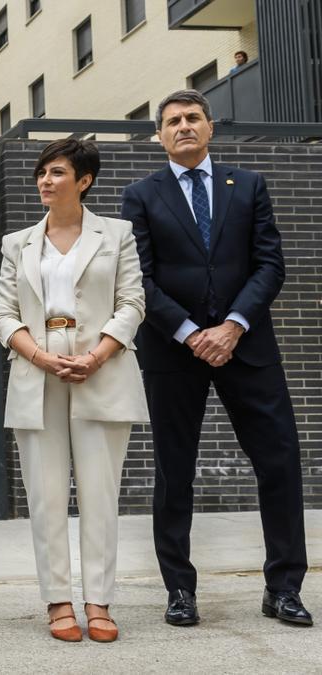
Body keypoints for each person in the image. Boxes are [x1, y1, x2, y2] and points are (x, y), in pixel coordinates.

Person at [121, 89, 312, 627]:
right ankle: (179, 591)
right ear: (159, 135)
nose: (183, 126)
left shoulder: (248, 185)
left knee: (279, 465)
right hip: (172, 352)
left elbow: (269, 264)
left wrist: (232, 326)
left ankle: (284, 589)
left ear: (211, 127)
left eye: (192, 118)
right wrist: (189, 332)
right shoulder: (140, 195)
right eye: (173, 121)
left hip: (247, 347)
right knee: (173, 472)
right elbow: (141, 276)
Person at [0, 139, 148, 642]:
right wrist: (37, 355)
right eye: (41, 172)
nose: (44, 180)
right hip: (37, 374)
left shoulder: (117, 234)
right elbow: (3, 315)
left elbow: (132, 303)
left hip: (100, 370)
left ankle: (99, 601)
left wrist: (97, 355)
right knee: (46, 494)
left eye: (56, 172)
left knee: (101, 494)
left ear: (84, 181)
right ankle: (58, 600)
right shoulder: (17, 243)